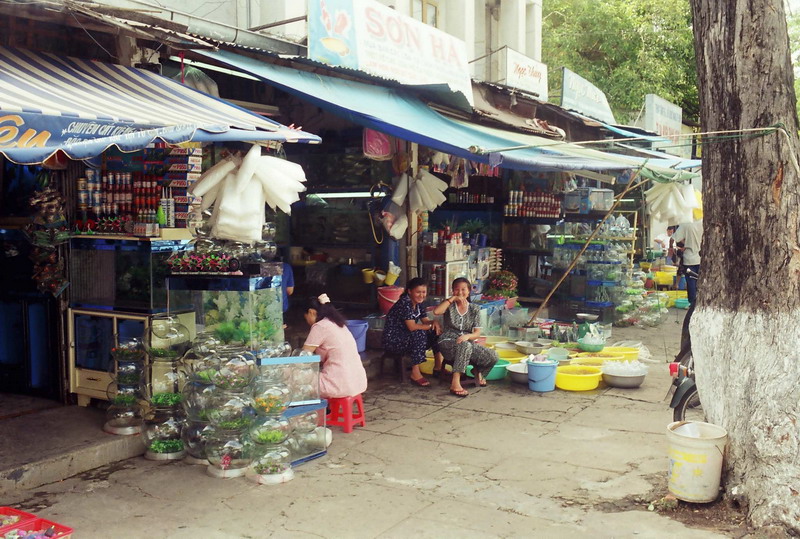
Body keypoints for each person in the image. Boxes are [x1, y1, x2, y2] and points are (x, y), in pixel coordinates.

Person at [433, 278, 498, 398]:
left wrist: (467, 336)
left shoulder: (474, 309)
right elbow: (436, 312)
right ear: (452, 291)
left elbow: (477, 333)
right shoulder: (449, 305)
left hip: (467, 342)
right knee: (465, 345)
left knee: (492, 355)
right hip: (448, 341)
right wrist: (452, 299)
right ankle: (455, 383)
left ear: (468, 291)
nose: (460, 292)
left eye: (463, 289)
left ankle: (477, 372)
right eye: (456, 289)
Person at [302, 294, 367, 399]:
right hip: (358, 382)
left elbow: (303, 356)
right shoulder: (338, 323)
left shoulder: (320, 326)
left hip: (339, 385)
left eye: (306, 317)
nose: (307, 321)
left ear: (311, 312)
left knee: (298, 379)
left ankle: (308, 409)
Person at [382, 277, 441, 386]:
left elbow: (425, 321)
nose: (421, 295)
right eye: (418, 292)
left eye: (423, 292)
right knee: (419, 333)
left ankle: (438, 367)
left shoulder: (418, 303)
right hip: (393, 340)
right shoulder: (405, 303)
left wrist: (434, 323)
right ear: (409, 291)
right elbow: (412, 327)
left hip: (407, 337)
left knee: (435, 331)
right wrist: (429, 326)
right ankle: (415, 373)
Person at [672, 219, 703, 304]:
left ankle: (693, 304)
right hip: (702, 258)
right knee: (701, 282)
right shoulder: (704, 222)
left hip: (689, 259)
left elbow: (673, 239)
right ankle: (700, 303)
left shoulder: (685, 223)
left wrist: (672, 249)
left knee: (691, 283)